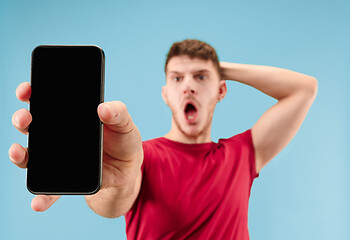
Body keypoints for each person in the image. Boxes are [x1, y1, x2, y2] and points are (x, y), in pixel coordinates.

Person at [9, 39, 318, 239]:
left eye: (200, 77)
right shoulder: (137, 155)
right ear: (165, 94)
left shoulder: (241, 154)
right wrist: (111, 179)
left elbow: (304, 88)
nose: (188, 87)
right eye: (176, 78)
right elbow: (113, 203)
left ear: (221, 90)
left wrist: (219, 66)